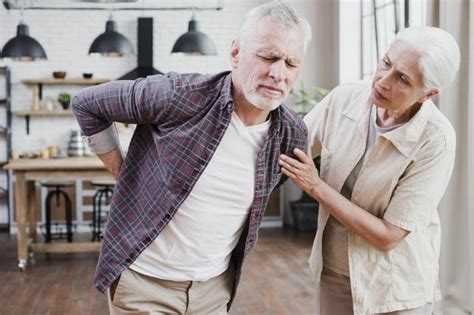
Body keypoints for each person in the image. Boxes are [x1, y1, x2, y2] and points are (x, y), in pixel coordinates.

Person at [72, 1, 311, 314]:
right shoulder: (179, 95)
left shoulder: (292, 135)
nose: (278, 73)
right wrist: (121, 169)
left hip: (214, 290)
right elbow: (87, 104)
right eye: (268, 56)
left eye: (291, 64)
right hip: (144, 282)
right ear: (237, 53)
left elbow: (264, 189)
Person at [279, 26, 460, 314]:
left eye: (402, 78)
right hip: (334, 273)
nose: (382, 81)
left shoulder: (436, 139)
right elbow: (288, 149)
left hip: (395, 288)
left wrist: (316, 187)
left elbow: (388, 236)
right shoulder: (344, 98)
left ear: (428, 93)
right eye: (386, 63)